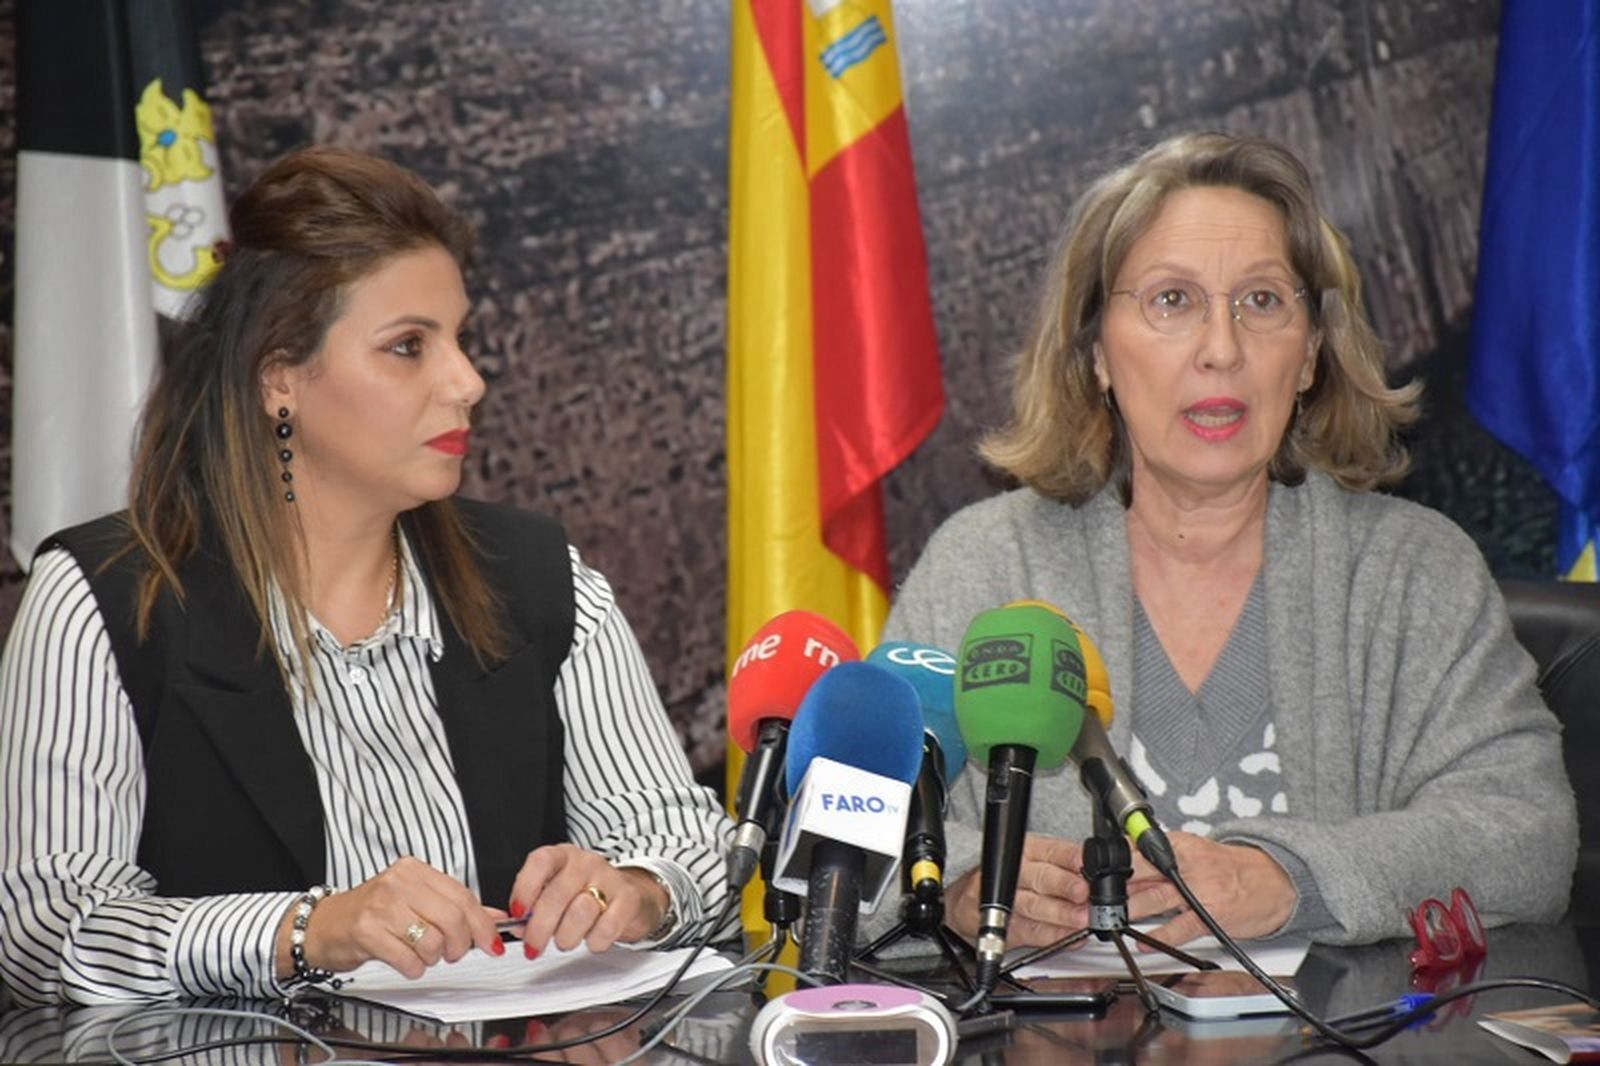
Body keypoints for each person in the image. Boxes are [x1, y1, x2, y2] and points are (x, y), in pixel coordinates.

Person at [0, 146, 735, 1006]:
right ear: (280, 378)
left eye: (461, 340)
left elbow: (694, 845)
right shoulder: (106, 598)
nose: (468, 382)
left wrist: (636, 891)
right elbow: (45, 930)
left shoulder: (541, 580)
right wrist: (308, 930)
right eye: (407, 347)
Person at [881, 132, 1577, 950]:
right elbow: (846, 839)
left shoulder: (1414, 573)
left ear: (1313, 351)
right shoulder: (983, 569)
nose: (1222, 349)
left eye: (1262, 302)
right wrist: (968, 887)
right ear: (1098, 350)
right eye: (1173, 301)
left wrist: (1289, 879)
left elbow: (1527, 837)